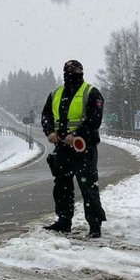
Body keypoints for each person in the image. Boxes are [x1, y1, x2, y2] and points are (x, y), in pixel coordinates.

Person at [40, 60, 107, 238]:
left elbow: (95, 119)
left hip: (84, 149)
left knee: (88, 187)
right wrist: (50, 132)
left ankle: (94, 226)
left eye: (73, 70)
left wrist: (77, 135)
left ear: (81, 72)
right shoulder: (56, 94)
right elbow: (46, 115)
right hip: (61, 148)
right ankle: (63, 222)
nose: (70, 73)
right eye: (67, 70)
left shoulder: (91, 92)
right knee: (61, 187)